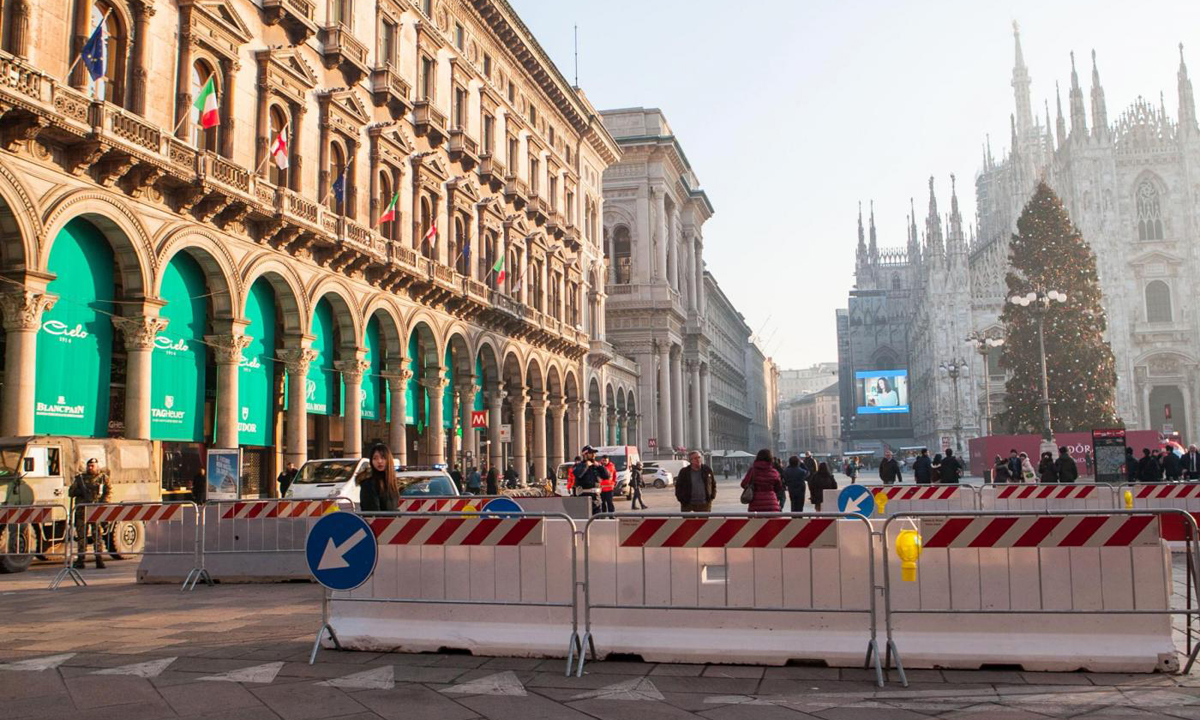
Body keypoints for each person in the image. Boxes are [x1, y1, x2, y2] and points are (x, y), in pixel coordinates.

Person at [69, 458, 111, 569]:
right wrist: (79, 491)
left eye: (93, 465)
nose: (90, 467)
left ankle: (99, 559)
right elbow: (71, 492)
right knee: (81, 536)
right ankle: (81, 559)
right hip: (82, 512)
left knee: (97, 535)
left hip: (96, 511)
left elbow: (108, 493)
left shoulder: (103, 479)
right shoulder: (80, 479)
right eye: (89, 466)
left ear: (97, 466)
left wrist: (103, 505)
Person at [356, 443, 399, 512]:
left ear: (389, 459)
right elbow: (372, 512)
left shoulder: (392, 482)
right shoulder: (368, 483)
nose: (379, 461)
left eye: (383, 457)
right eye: (375, 458)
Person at [573, 446, 609, 514]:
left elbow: (606, 476)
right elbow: (578, 474)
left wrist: (599, 466)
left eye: (594, 453)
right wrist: (586, 465)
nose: (594, 455)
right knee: (585, 521)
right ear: (585, 454)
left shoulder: (597, 466)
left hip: (597, 498)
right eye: (591, 453)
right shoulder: (579, 465)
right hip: (584, 499)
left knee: (597, 521)